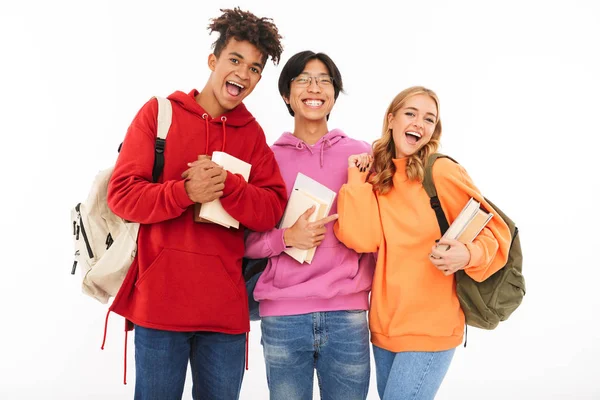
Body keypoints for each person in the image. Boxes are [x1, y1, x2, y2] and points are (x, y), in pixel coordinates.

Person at [105, 8, 287, 400]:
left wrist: (231, 188)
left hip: (224, 315)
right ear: (213, 60)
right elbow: (121, 195)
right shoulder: (160, 114)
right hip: (159, 306)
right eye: (235, 60)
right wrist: (184, 193)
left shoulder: (253, 134)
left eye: (254, 69)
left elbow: (272, 209)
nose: (243, 73)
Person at [334, 86, 512, 400]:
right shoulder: (381, 175)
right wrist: (358, 178)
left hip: (432, 325)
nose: (419, 123)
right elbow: (361, 239)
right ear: (391, 119)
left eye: (429, 119)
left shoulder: (440, 171)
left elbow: (495, 229)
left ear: (433, 131)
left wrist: (467, 254)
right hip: (386, 325)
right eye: (411, 113)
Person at [244, 50, 376, 400]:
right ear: (287, 95)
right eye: (302, 79)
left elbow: (380, 232)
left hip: (347, 314)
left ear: (334, 93)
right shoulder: (266, 160)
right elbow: (246, 242)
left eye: (323, 80)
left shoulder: (362, 155)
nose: (313, 87)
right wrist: (288, 237)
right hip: (283, 317)